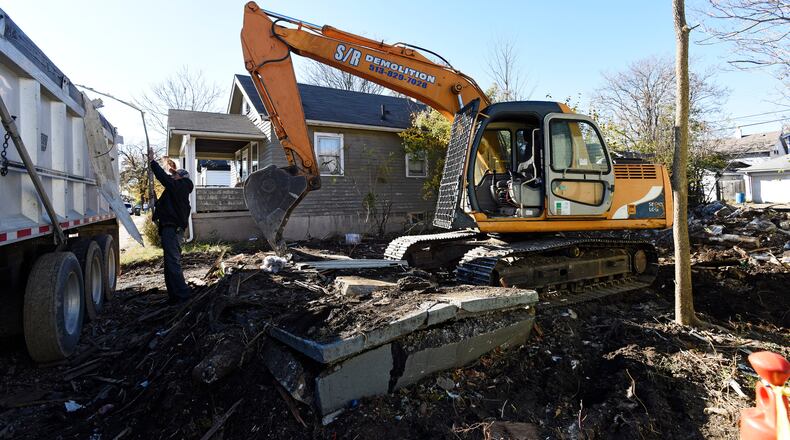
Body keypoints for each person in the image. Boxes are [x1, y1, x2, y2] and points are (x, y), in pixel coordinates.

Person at [147, 148, 194, 304]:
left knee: (172, 262)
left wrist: (152, 162)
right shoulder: (176, 190)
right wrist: (154, 200)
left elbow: (163, 178)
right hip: (169, 229)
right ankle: (174, 296)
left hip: (172, 230)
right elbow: (165, 205)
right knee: (169, 263)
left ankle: (183, 295)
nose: (172, 176)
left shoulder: (182, 186)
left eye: (175, 175)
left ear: (181, 177)